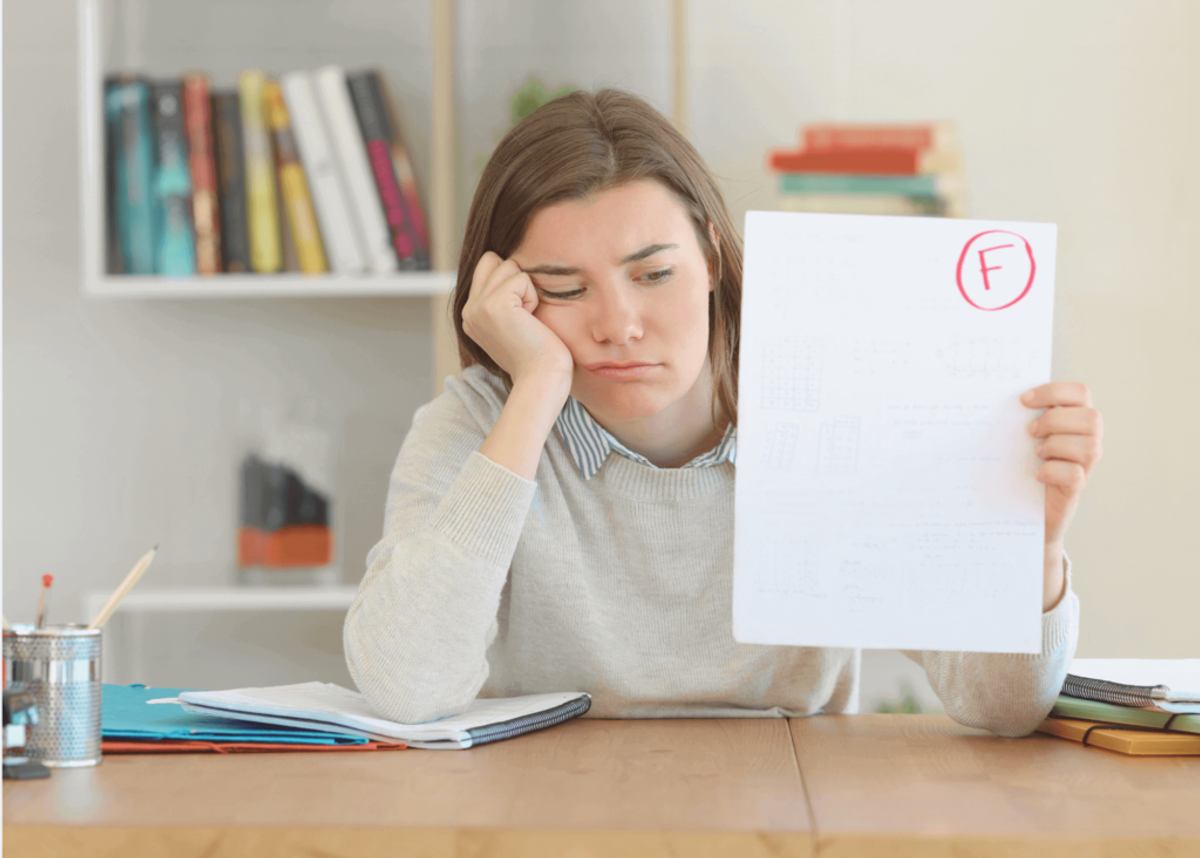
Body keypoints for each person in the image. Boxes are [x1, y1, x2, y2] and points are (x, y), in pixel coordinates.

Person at [344, 89, 1102, 735]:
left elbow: (1003, 707)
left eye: (654, 274)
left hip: (790, 812)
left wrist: (1033, 552)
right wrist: (537, 385)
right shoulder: (479, 426)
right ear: (509, 297)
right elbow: (409, 686)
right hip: (551, 814)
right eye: (564, 289)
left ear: (710, 255)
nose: (619, 326)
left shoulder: (837, 402)